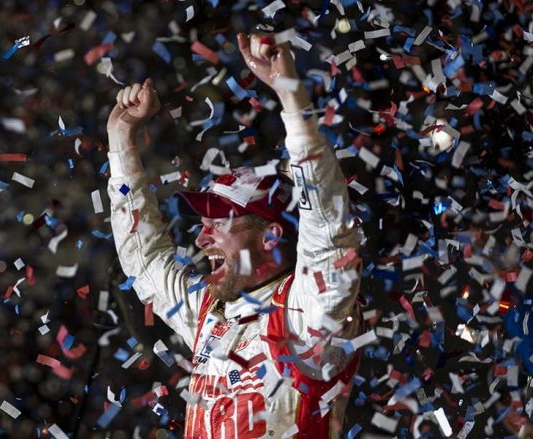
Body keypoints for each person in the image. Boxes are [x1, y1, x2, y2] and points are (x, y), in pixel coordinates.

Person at [106, 32, 362, 438]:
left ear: (271, 236)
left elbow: (329, 229)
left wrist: (291, 97)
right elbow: (144, 261)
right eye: (203, 225)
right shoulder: (210, 312)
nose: (202, 240)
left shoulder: (308, 314)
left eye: (219, 224)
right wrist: (121, 142)